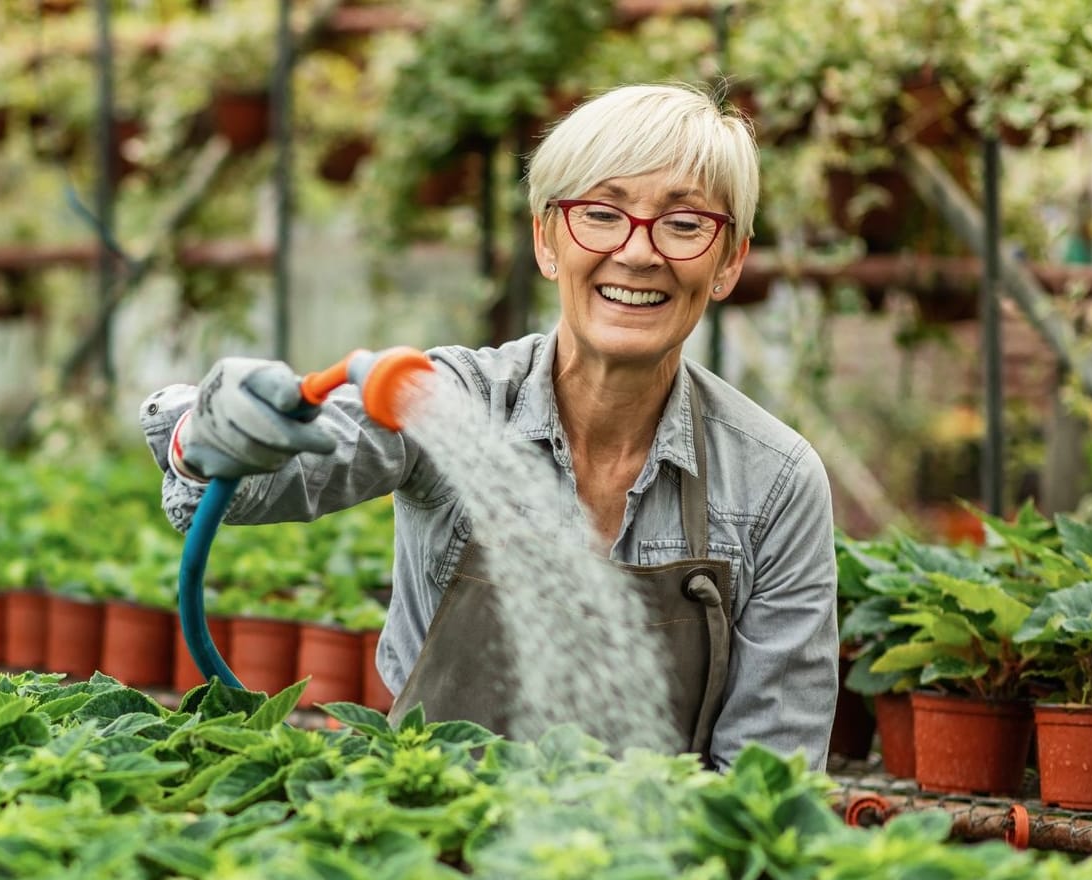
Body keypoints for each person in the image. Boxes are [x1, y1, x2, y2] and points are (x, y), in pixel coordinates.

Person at [139, 83, 838, 771]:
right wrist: (206, 436)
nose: (638, 251)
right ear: (546, 239)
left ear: (729, 262)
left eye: (684, 225)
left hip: (652, 869)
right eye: (601, 213)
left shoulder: (773, 480)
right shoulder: (451, 401)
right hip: (431, 834)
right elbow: (261, 482)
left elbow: (770, 782)